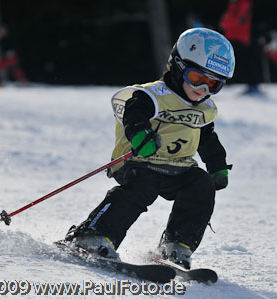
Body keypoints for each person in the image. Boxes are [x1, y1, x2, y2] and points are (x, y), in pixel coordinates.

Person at [63, 28, 235, 270]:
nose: (203, 90)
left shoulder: (202, 108)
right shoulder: (153, 95)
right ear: (178, 66)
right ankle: (92, 236)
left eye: (214, 84)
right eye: (198, 79)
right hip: (139, 161)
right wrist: (140, 135)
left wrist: (217, 166)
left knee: (201, 184)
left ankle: (176, 246)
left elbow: (207, 137)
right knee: (143, 186)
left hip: (177, 167)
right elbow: (134, 113)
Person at [220, 0, 261, 95]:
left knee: (245, 63)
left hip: (240, 38)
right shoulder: (233, 4)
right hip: (231, 38)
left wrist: (225, 23)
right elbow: (225, 20)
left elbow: (236, 20)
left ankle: (253, 85)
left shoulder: (244, 3)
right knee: (230, 62)